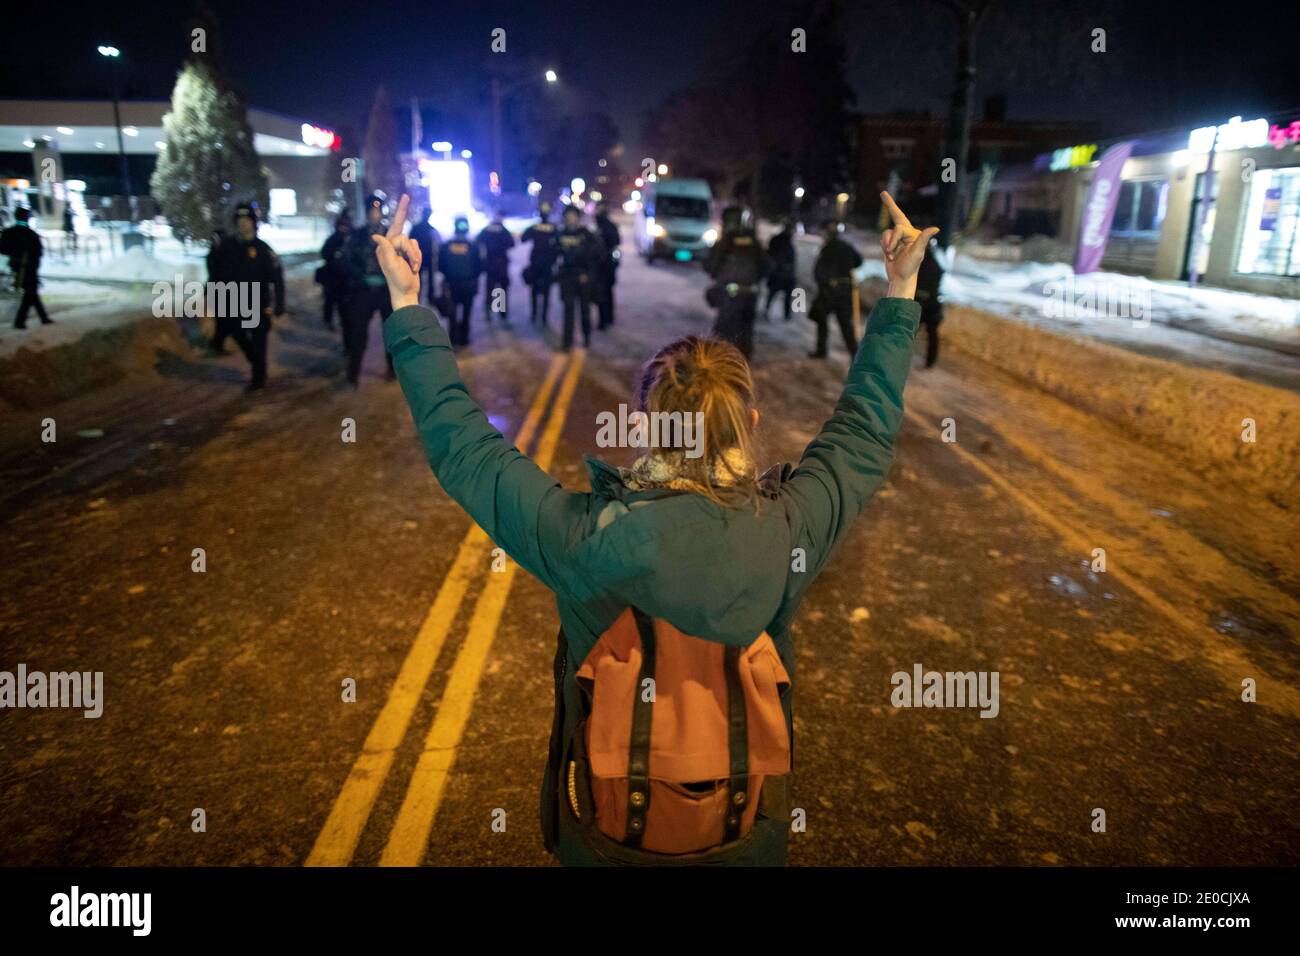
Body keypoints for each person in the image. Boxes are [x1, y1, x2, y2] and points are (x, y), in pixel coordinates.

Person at [371, 191, 937, 866]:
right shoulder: (787, 529)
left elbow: (462, 446)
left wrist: (408, 305)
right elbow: (863, 434)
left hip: (608, 842)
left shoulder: (584, 537)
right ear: (750, 427)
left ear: (643, 427)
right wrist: (901, 291)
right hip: (744, 838)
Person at [205, 202, 284, 391]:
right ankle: (255, 360)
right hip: (234, 302)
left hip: (258, 303)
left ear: (254, 223)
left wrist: (279, 303)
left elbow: (277, 278)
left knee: (259, 341)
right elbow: (214, 269)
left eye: (247, 220)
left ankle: (259, 377)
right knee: (237, 333)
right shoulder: (227, 246)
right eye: (240, 220)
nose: (243, 224)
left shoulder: (264, 249)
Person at [341, 194, 396, 385]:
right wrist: (358, 276)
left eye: (377, 210)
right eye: (371, 210)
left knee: (391, 333)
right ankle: (353, 374)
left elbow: (399, 261)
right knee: (358, 334)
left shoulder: (391, 236)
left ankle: (392, 369)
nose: (375, 214)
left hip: (385, 291)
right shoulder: (357, 235)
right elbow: (346, 260)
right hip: (363, 291)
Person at [704, 204, 768, 360]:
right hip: (750, 292)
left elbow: (710, 265)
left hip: (730, 293)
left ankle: (722, 366)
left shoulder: (726, 241)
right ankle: (743, 362)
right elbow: (766, 266)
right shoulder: (754, 242)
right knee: (745, 330)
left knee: (723, 332)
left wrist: (719, 276)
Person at [809, 220, 863, 359]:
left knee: (822, 319)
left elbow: (818, 270)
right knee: (845, 323)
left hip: (829, 291)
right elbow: (859, 261)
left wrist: (823, 281)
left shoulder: (827, 249)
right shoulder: (847, 246)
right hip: (845, 289)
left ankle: (821, 350)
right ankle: (854, 353)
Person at [555, 203, 600, 350]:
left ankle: (586, 338)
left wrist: (588, 274)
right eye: (568, 216)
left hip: (582, 278)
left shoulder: (585, 234)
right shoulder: (561, 234)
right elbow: (555, 253)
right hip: (567, 277)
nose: (570, 219)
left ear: (577, 218)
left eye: (573, 216)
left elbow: (595, 254)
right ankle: (567, 342)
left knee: (584, 310)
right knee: (568, 310)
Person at [0, 207, 52, 329]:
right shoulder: (31, 234)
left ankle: (43, 318)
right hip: (29, 267)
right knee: (30, 293)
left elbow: (2, 249)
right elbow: (39, 253)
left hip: (15, 266)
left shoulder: (9, 232)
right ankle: (20, 321)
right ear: (27, 218)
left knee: (31, 292)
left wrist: (13, 254)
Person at [437, 215, 482, 347]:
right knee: (466, 313)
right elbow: (479, 266)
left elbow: (440, 266)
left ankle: (453, 338)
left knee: (452, 314)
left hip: (452, 285)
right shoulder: (473, 246)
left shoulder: (446, 245)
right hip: (468, 285)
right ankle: (464, 339)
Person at [522, 200, 559, 327]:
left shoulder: (546, 227)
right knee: (538, 290)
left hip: (543, 263)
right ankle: (538, 315)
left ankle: (540, 316)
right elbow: (524, 238)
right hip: (539, 264)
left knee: (541, 291)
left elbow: (524, 238)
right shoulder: (550, 228)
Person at [476, 209, 515, 322]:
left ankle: (489, 311)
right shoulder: (503, 230)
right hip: (502, 264)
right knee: (501, 290)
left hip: (490, 264)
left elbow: (478, 241)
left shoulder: (487, 230)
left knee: (490, 289)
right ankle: (502, 313)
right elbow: (511, 244)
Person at [318, 213, 353, 331]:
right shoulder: (333, 239)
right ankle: (329, 321)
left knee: (343, 305)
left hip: (344, 279)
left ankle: (343, 322)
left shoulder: (350, 240)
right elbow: (324, 254)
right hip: (332, 278)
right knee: (330, 302)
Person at [916, 232, 945, 368]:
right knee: (932, 334)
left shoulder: (919, 262)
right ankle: (930, 361)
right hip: (933, 302)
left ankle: (897, 358)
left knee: (908, 332)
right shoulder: (937, 262)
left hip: (921, 303)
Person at [593, 200, 621, 330]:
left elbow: (614, 245)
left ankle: (604, 320)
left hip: (605, 266)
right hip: (605, 266)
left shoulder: (605, 227)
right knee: (607, 293)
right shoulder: (601, 226)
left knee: (603, 294)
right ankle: (608, 319)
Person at [408, 207, 441, 308]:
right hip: (426, 257)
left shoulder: (416, 227)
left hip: (419, 257)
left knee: (419, 279)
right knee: (427, 279)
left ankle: (419, 298)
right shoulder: (431, 229)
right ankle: (429, 298)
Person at [765, 218, 796, 321]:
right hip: (780, 273)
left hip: (780, 273)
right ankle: (785, 315)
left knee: (773, 294)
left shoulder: (779, 239)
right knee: (776, 294)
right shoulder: (783, 241)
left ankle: (770, 311)